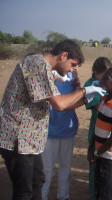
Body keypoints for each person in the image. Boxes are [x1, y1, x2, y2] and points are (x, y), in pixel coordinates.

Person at [0, 39, 105, 200]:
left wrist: (84, 99)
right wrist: (84, 90)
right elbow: (59, 104)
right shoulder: (36, 64)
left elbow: (62, 105)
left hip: (30, 140)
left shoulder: (46, 70)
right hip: (18, 138)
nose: (72, 69)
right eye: (72, 64)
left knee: (37, 181)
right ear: (64, 55)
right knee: (24, 191)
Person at [87, 67, 112, 200]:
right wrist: (90, 147)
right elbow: (97, 125)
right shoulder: (104, 99)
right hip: (99, 151)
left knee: (107, 190)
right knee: (99, 186)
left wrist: (96, 153)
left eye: (106, 78)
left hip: (110, 155)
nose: (102, 80)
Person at [41, 68, 80, 200]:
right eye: (72, 63)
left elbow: (77, 95)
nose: (72, 66)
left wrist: (76, 78)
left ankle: (63, 195)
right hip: (49, 131)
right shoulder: (48, 74)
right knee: (46, 169)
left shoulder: (71, 76)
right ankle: (42, 196)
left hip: (67, 129)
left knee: (65, 167)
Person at [84, 57, 112, 200]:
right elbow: (98, 106)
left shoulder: (108, 81)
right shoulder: (90, 84)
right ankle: (94, 194)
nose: (107, 78)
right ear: (95, 72)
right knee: (94, 161)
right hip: (97, 128)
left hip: (110, 129)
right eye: (104, 75)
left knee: (107, 162)